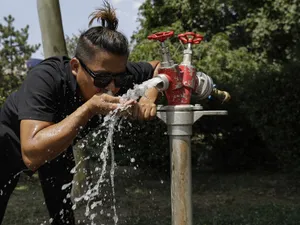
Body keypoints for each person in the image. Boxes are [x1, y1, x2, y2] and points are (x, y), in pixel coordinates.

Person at [0, 2, 160, 225]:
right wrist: (89, 108)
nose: (112, 87)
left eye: (120, 78)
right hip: (9, 142)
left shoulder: (112, 73)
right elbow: (31, 153)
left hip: (58, 144)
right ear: (75, 67)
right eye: (102, 79)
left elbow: (157, 68)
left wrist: (149, 97)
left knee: (64, 215)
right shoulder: (45, 78)